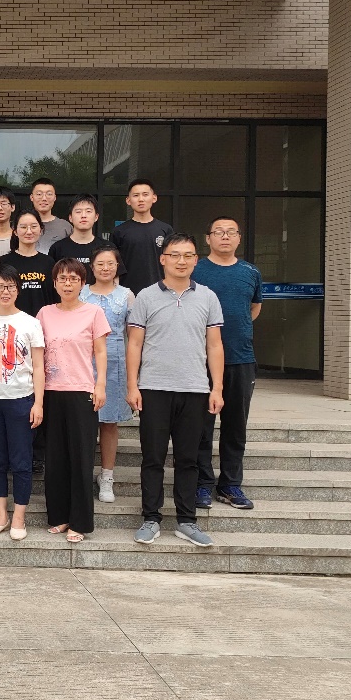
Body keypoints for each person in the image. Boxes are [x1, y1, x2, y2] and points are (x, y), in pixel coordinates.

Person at [127, 233, 225, 548]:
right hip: (153, 388)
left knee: (188, 459)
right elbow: (135, 344)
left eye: (188, 255)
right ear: (163, 259)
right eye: (175, 255)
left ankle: (186, 520)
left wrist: (217, 388)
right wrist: (132, 385)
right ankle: (151, 518)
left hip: (195, 389)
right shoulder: (145, 297)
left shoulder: (208, 297)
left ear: (196, 259)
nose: (181, 261)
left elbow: (214, 345)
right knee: (152, 458)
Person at [191, 217, 263, 511]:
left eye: (231, 232)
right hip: (199, 359)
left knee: (235, 425)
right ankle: (201, 483)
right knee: (200, 426)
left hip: (240, 358)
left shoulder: (251, 272)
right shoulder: (195, 270)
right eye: (218, 232)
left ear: (239, 238)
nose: (225, 236)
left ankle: (230, 484)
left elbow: (254, 308)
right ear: (208, 238)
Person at [37, 258, 109, 543]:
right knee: (55, 458)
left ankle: (80, 522)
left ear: (82, 283)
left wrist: (100, 385)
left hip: (82, 392)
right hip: (51, 392)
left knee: (81, 459)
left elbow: (101, 352)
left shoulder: (93, 312)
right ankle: (59, 516)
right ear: (54, 283)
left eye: (74, 279)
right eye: (62, 279)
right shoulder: (44, 313)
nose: (68, 284)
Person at [0, 265, 44, 541]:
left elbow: (39, 366)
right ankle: (1, 516)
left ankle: (19, 518)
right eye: (0, 286)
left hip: (20, 399)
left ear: (18, 289)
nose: (5, 291)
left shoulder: (30, 322)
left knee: (22, 460)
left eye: (10, 286)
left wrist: (38, 403)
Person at [79, 246, 134, 504]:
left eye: (110, 263)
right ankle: (82, 473)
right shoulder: (81, 292)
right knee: (84, 422)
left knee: (109, 422)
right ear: (92, 266)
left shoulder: (127, 295)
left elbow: (134, 336)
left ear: (117, 266)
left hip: (115, 365)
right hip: (82, 364)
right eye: (100, 263)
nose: (105, 268)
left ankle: (107, 476)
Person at [112, 178, 174, 293]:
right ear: (128, 200)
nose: (141, 199)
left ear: (154, 198)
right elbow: (114, 265)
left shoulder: (166, 229)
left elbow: (171, 262)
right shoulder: (119, 231)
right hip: (128, 292)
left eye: (145, 194)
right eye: (136, 195)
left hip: (160, 291)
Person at [0, 209, 56, 317]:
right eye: (23, 227)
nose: (29, 232)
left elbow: (55, 297)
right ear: (15, 231)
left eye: (34, 226)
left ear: (41, 230)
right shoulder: (4, 262)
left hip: (43, 322)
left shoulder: (49, 262)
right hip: (12, 321)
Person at [49, 194, 111, 282]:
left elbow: (115, 280)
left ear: (96, 217)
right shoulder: (57, 248)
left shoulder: (107, 247)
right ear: (70, 217)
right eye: (78, 212)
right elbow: (52, 280)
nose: (83, 215)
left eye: (88, 211)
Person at [29, 178, 74, 252]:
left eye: (49, 194)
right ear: (31, 197)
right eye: (39, 194)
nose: (44, 198)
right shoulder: (22, 225)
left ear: (55, 198)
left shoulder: (65, 227)